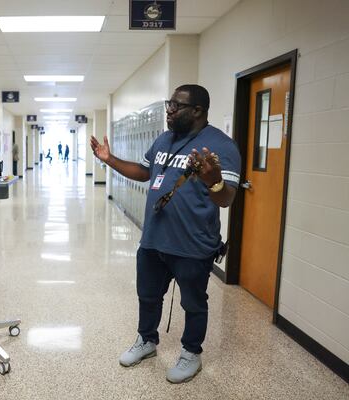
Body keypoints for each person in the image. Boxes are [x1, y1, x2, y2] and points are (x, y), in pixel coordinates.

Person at [90, 84, 240, 384]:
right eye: (168, 105)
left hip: (193, 244)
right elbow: (144, 172)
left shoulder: (221, 146)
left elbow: (227, 199)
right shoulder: (163, 139)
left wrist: (214, 181)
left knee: (193, 303)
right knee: (147, 296)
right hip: (154, 239)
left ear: (197, 111)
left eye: (176, 106)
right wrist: (110, 159)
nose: (169, 111)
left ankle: (191, 353)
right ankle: (147, 341)